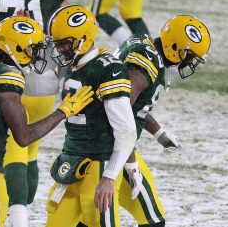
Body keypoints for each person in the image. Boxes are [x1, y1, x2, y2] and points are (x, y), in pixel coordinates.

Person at [0, 16, 94, 227]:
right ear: (16, 47)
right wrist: (63, 111)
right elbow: (24, 137)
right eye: (32, 49)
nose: (35, 56)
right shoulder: (7, 75)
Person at [77, 14, 211, 227]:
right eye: (189, 56)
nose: (189, 62)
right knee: (103, 220)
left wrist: (160, 133)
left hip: (113, 146)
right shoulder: (144, 65)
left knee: (143, 220)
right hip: (107, 150)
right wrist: (129, 163)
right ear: (175, 47)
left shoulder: (143, 43)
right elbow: (119, 116)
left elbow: (133, 106)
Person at [0, 0, 69, 226]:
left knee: (13, 153)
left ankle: (18, 219)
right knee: (30, 154)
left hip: (4, 78)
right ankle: (21, 213)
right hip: (44, 83)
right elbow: (68, 32)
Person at [45, 5, 138, 226]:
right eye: (57, 43)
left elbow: (127, 131)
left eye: (64, 43)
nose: (59, 48)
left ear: (84, 38)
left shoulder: (108, 69)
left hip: (98, 166)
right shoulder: (72, 64)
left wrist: (109, 177)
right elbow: (39, 86)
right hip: (70, 161)